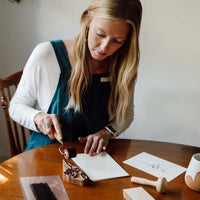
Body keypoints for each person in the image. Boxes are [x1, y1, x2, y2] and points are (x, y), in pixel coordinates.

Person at [9, 0, 142, 156]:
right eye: (100, 34)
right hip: (43, 155)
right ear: (87, 21)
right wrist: (38, 118)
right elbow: (16, 106)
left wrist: (107, 132)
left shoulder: (123, 65)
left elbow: (125, 115)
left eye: (117, 41)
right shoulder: (47, 55)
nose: (104, 47)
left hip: (93, 158)